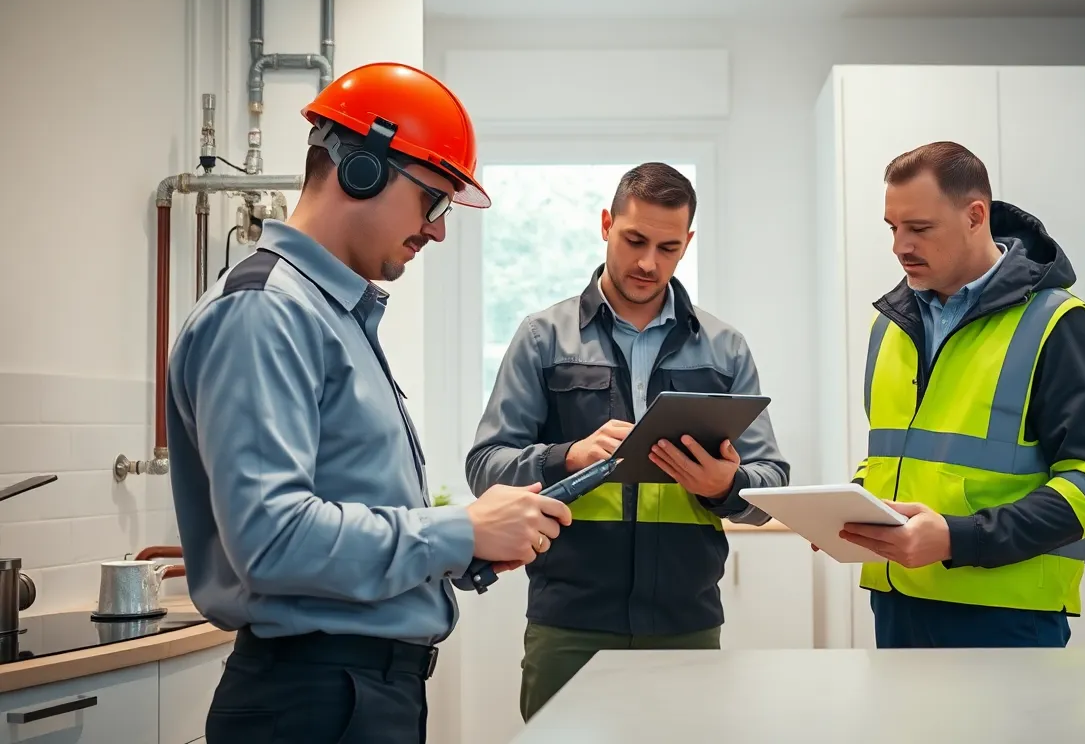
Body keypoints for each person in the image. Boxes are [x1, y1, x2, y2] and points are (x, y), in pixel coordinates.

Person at [165, 62, 572, 743]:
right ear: (363, 169)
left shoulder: (329, 314)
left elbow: (341, 506)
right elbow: (273, 540)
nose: (438, 231)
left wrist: (462, 551)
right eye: (433, 201)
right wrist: (461, 530)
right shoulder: (266, 311)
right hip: (313, 700)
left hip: (355, 694)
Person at [465, 162, 790, 720]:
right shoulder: (542, 338)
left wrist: (725, 486)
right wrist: (568, 456)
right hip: (569, 625)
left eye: (667, 247)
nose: (647, 262)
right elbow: (485, 466)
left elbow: (772, 484)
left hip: (685, 626)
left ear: (687, 244)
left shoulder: (725, 349)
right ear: (605, 224)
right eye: (634, 240)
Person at [840, 141, 1085, 649]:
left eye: (919, 228)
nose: (899, 246)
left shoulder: (1058, 324)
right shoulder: (889, 327)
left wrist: (956, 537)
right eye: (893, 228)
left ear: (975, 216)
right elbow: (893, 457)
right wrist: (850, 510)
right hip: (896, 601)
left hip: (1006, 617)